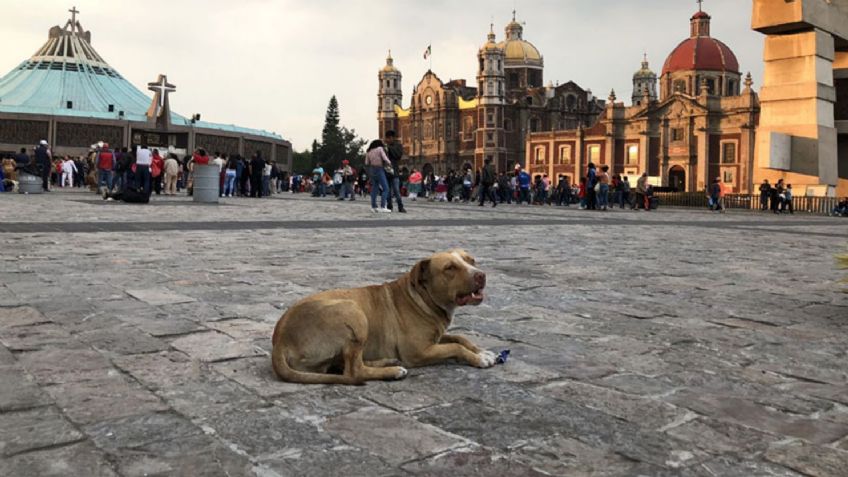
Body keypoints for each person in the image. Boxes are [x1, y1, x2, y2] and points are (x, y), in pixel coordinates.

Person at [365, 139, 392, 213]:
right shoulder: (380, 149)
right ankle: (383, 206)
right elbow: (384, 157)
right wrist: (389, 163)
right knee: (386, 188)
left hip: (372, 169)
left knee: (374, 188)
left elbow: (367, 162)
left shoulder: (369, 151)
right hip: (379, 168)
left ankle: (373, 206)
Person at [383, 131, 406, 213]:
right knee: (387, 190)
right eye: (386, 138)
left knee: (396, 190)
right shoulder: (384, 146)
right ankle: (389, 206)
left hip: (394, 171)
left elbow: (398, 155)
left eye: (388, 138)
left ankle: (400, 206)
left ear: (392, 138)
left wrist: (389, 148)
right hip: (386, 171)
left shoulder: (398, 145)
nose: (387, 140)